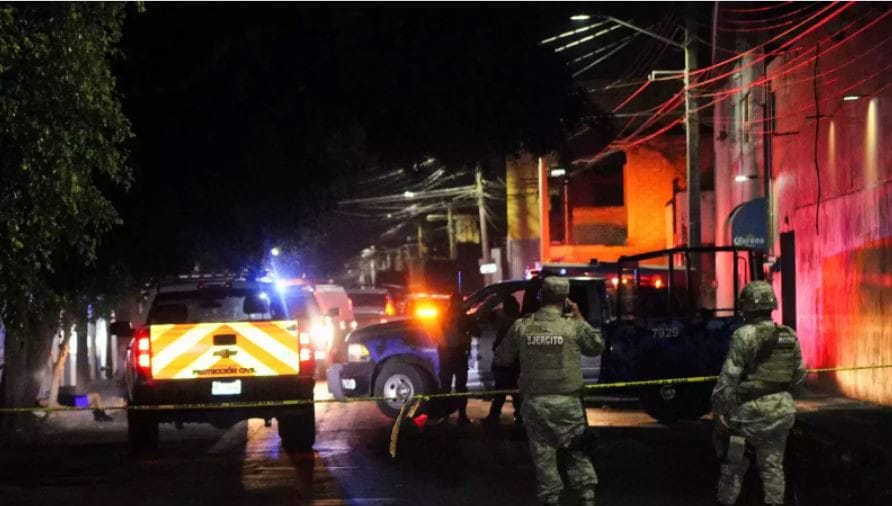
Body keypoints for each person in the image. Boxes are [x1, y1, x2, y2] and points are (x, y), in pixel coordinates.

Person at [494, 277, 604, 506]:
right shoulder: (572, 325)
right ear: (566, 300)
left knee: (543, 454)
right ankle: (587, 497)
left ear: (540, 296)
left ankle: (551, 499)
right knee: (577, 450)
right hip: (568, 404)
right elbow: (596, 347)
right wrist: (579, 317)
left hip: (535, 405)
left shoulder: (523, 326)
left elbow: (501, 358)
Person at [711, 280, 807, 506]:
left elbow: (729, 376)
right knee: (773, 467)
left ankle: (727, 501)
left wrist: (719, 410)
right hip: (780, 414)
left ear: (746, 307)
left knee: (734, 465)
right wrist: (785, 399)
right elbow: (799, 375)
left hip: (745, 418)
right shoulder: (788, 334)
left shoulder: (743, 335)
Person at [483, 294, 523, 425]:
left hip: (505, 363)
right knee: (514, 392)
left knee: (501, 392)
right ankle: (519, 418)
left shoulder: (506, 323)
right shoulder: (520, 323)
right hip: (515, 362)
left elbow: (499, 345)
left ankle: (494, 417)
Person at [437, 293, 471, 424]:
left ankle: (456, 415)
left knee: (455, 386)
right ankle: (451, 415)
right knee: (452, 386)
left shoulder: (461, 317)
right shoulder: (450, 317)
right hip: (451, 353)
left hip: (454, 353)